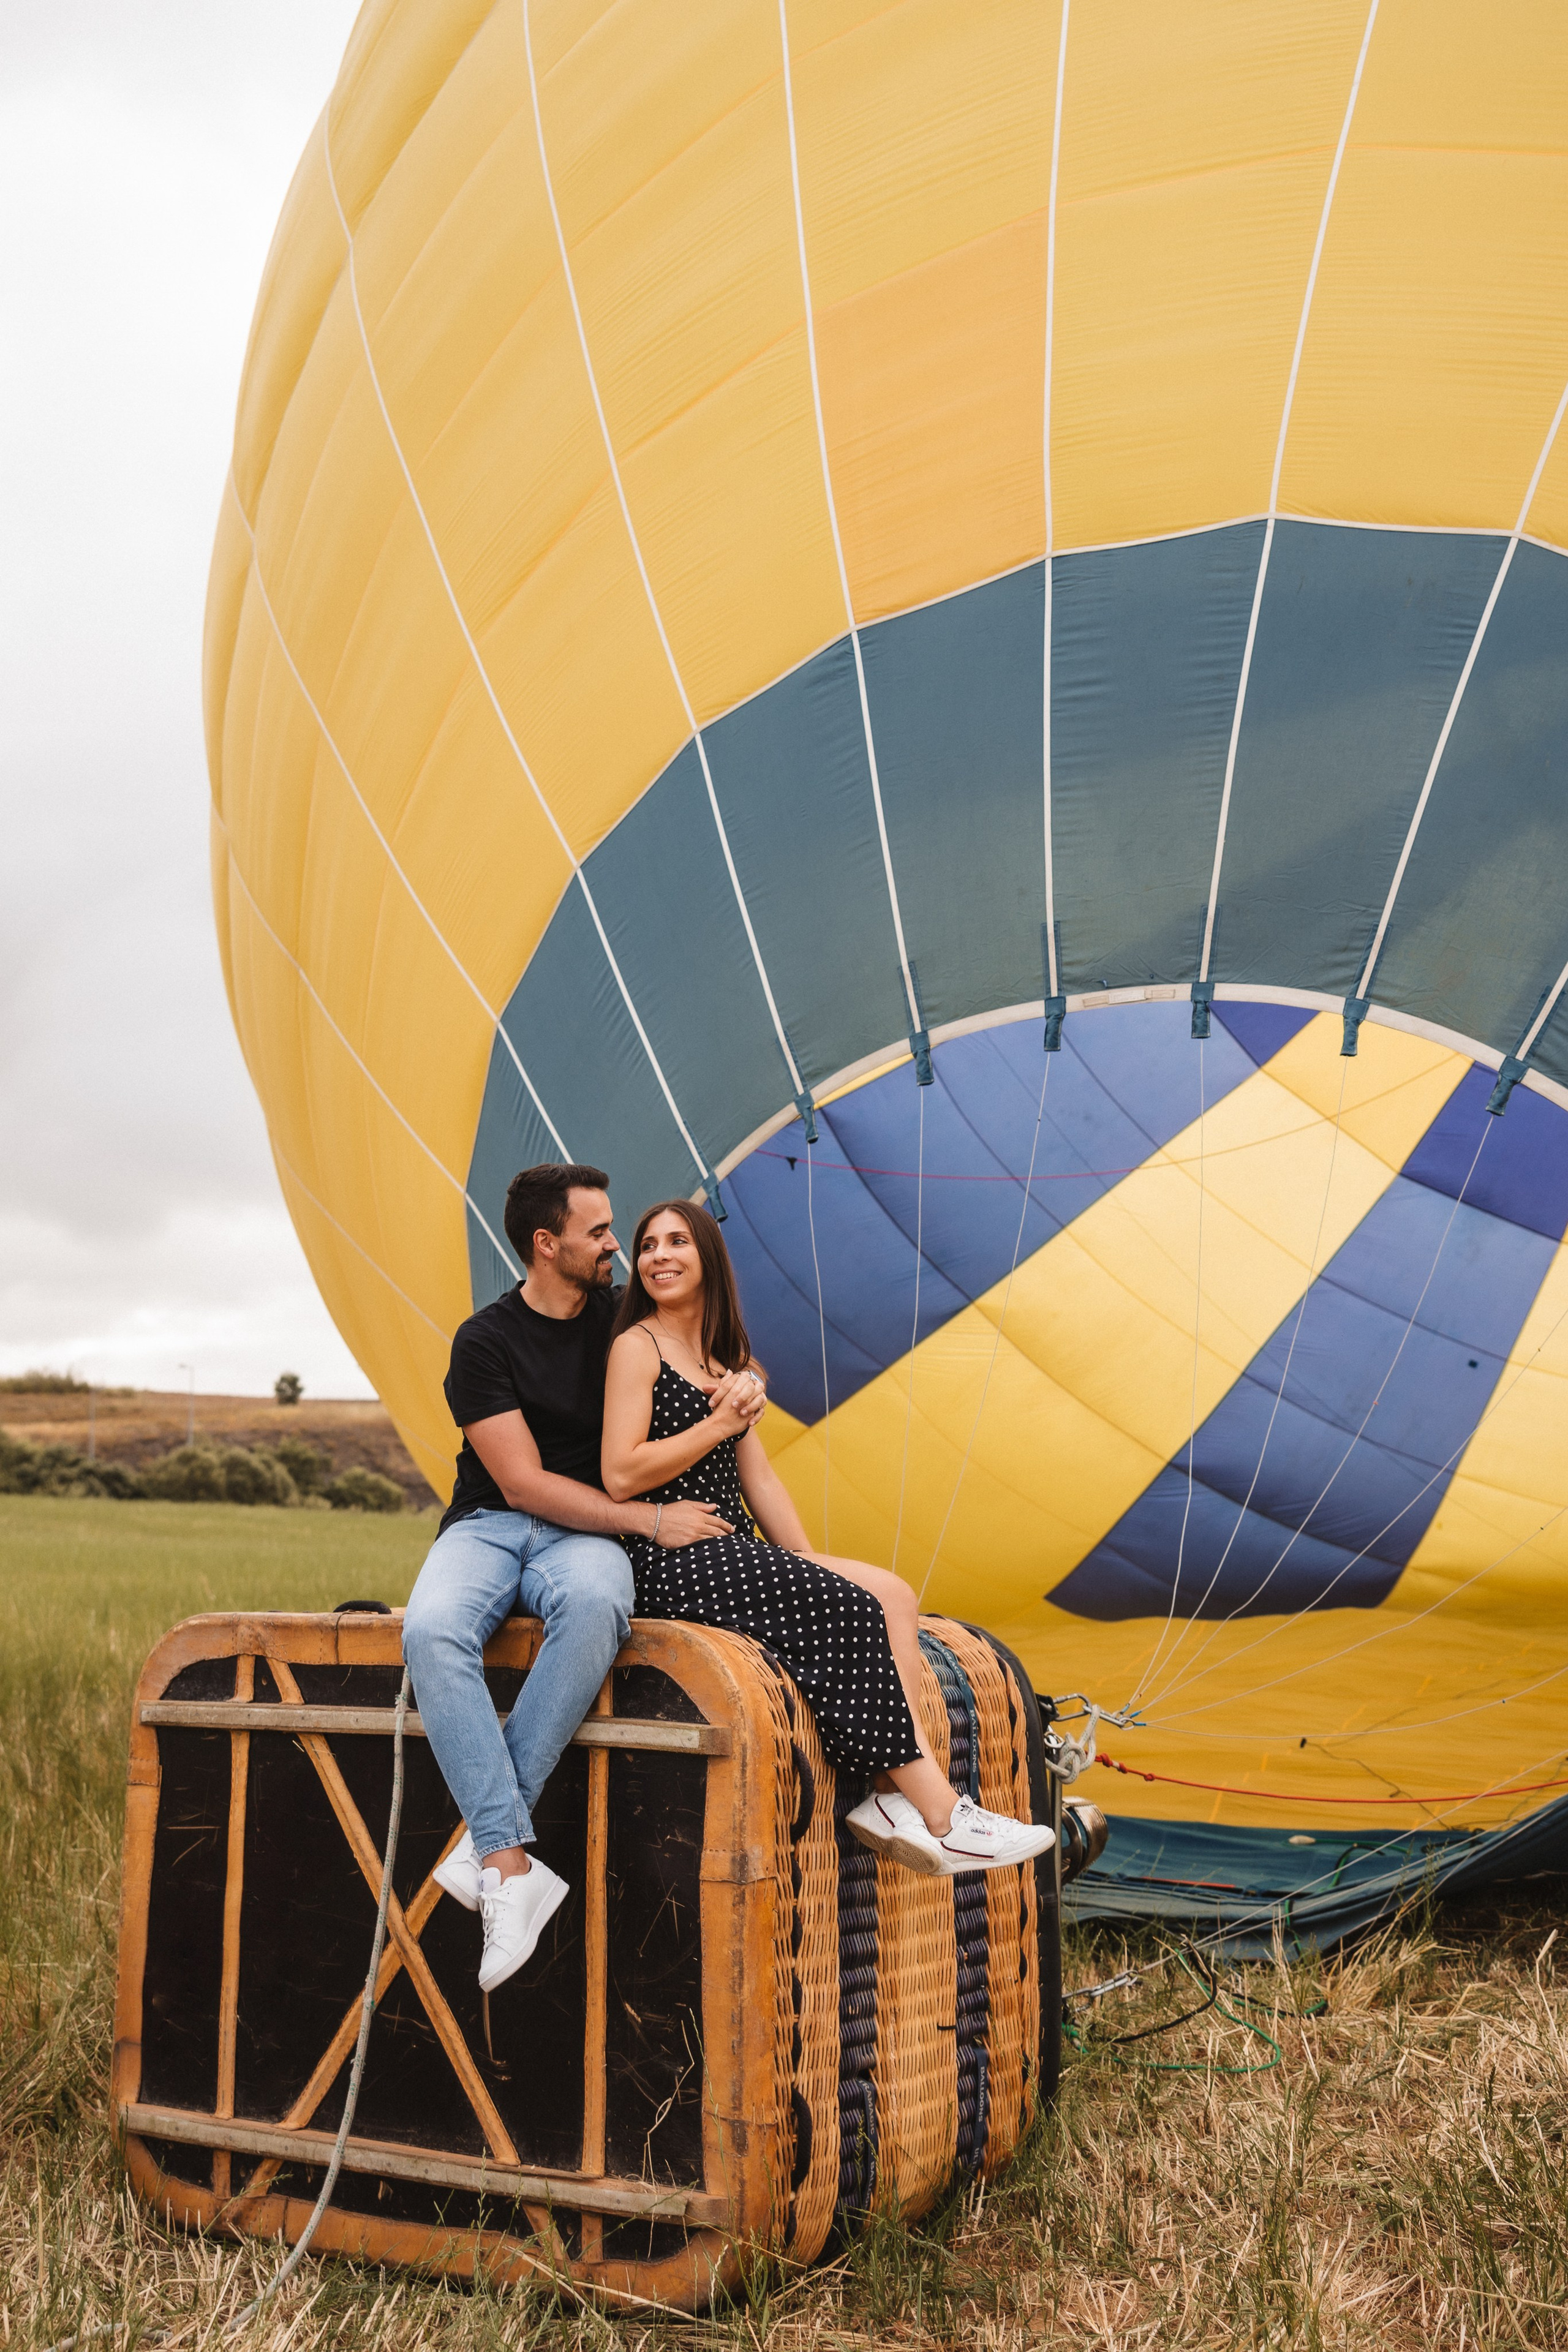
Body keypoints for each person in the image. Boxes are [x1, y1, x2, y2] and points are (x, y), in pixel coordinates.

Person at [601, 1200, 1056, 1877]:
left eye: (676, 1242)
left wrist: (810, 1564)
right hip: (668, 1551)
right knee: (850, 1609)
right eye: (647, 1245)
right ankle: (945, 1814)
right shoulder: (635, 1347)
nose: (659, 1256)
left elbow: (760, 1483)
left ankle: (883, 1798)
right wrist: (716, 1426)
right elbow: (618, 1472)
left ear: (707, 1260)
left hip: (732, 1544)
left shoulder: (725, 1360)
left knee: (892, 1595)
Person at [402, 1164, 760, 1992]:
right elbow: (522, 1484)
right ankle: (510, 1860)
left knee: (603, 1604)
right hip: (494, 1522)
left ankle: (490, 1851)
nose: (616, 1248)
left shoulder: (621, 1323)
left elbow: (705, 1352)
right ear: (546, 1244)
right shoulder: (484, 1341)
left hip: (583, 1538)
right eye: (599, 1234)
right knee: (430, 1630)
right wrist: (649, 1520)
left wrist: (744, 1383)